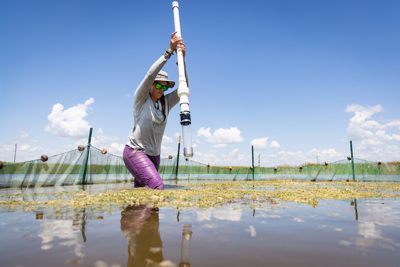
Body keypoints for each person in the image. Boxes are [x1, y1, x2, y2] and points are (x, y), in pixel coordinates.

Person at [123, 32, 187, 190]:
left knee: (142, 194)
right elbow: (150, 74)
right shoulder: (141, 98)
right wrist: (169, 53)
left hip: (155, 155)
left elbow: (184, 87)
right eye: (158, 85)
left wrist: (181, 62)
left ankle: (136, 215)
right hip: (136, 151)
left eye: (165, 86)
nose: (162, 89)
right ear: (151, 85)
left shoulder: (166, 102)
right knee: (157, 187)